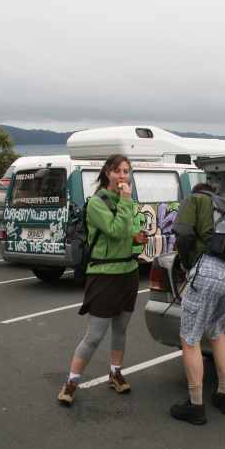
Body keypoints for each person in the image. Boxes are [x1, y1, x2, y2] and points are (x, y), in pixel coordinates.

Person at [57, 154, 147, 406]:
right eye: (118, 171)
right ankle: (72, 381)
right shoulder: (97, 203)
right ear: (107, 172)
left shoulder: (124, 201)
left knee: (121, 329)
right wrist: (128, 203)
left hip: (128, 272)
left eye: (126, 171)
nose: (123, 176)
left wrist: (136, 237)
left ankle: (115, 372)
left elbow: (126, 232)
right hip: (104, 274)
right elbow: (116, 230)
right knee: (95, 335)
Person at [169, 183, 225, 425]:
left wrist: (186, 262)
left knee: (190, 339)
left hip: (209, 271)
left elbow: (183, 233)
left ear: (197, 191)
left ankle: (195, 406)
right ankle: (224, 395)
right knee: (217, 331)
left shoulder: (194, 200)